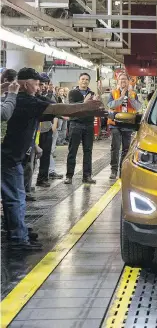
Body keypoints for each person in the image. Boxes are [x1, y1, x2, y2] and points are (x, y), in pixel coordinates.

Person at [1, 68, 106, 250]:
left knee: (16, 198)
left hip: (13, 157)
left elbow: (61, 112)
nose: (39, 87)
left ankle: (19, 231)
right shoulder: (24, 100)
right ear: (26, 84)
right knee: (15, 199)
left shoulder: (30, 100)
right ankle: (18, 238)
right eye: (36, 84)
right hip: (8, 158)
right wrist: (85, 107)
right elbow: (58, 108)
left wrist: (86, 110)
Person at [65, 73, 98, 185]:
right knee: (72, 151)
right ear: (79, 81)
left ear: (89, 81)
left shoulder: (92, 94)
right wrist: (85, 103)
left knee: (88, 151)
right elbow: (73, 108)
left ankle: (87, 176)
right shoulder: (73, 93)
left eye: (87, 79)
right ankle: (69, 176)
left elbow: (94, 109)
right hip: (76, 124)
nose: (84, 81)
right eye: (82, 79)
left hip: (88, 125)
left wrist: (96, 103)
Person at [107, 73, 142, 179]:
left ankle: (123, 171)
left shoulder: (133, 93)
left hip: (128, 124)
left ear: (128, 81)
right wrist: (121, 97)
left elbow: (138, 107)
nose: (123, 81)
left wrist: (129, 97)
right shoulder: (113, 93)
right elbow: (110, 105)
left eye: (125, 79)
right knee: (115, 147)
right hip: (115, 124)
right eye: (121, 79)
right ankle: (114, 170)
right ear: (118, 81)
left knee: (126, 149)